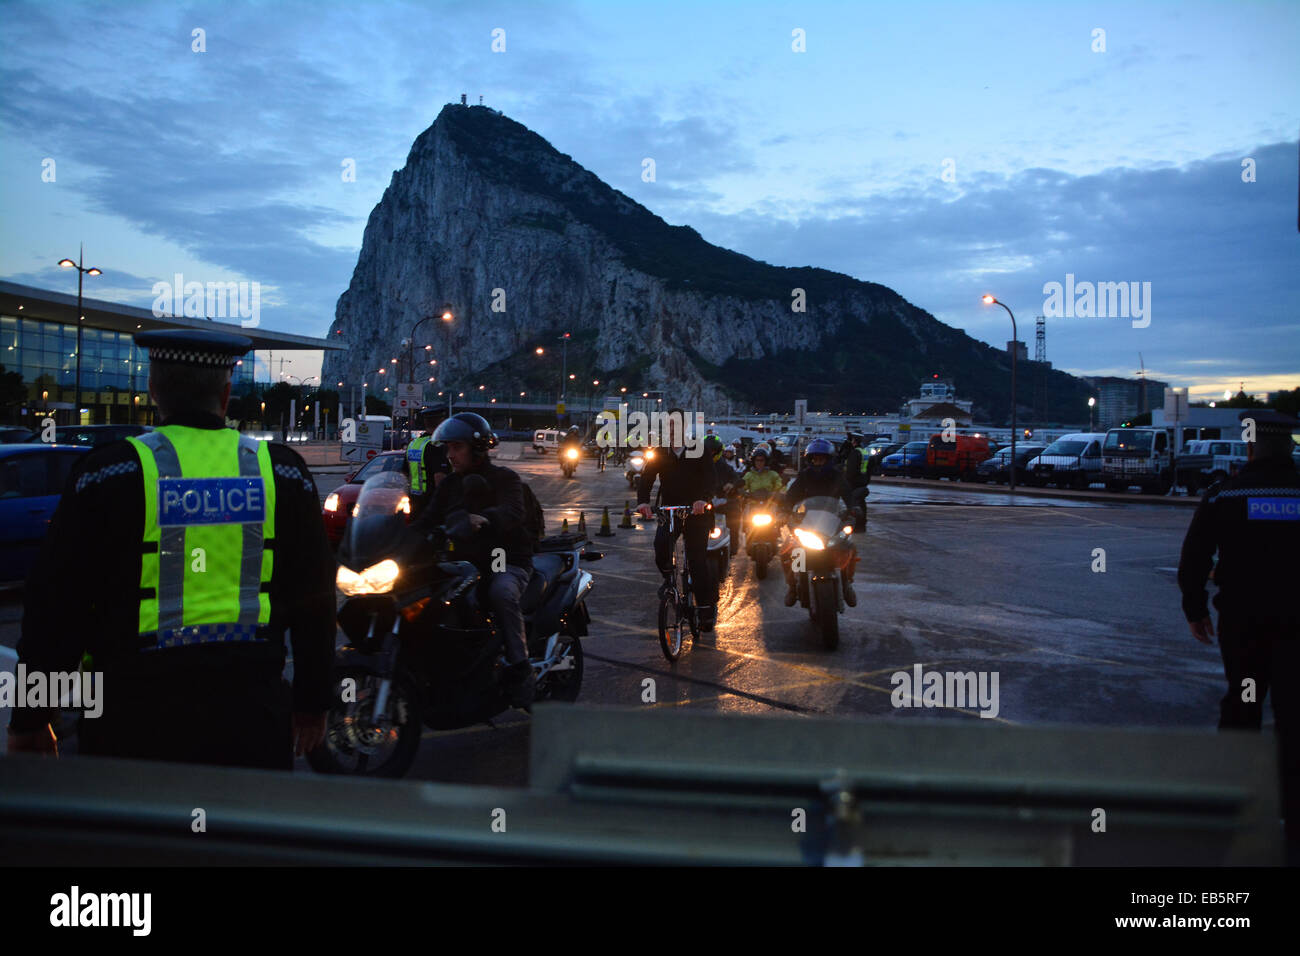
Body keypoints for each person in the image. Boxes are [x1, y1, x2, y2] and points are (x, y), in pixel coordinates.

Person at [7, 329, 336, 769]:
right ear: (225, 394)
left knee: (143, 838)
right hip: (251, 717)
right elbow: (314, 599)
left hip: (129, 721)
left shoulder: (107, 473)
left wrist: (31, 719)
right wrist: (312, 702)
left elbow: (55, 607)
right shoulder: (282, 473)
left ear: (153, 390)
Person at [1178, 409, 1300, 863]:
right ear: (1287, 445)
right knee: (1294, 712)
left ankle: (1232, 799)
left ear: (1250, 446)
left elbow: (1194, 558)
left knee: (1243, 703)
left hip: (1245, 621)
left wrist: (1194, 608)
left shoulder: (1225, 494)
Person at [412, 412, 537, 708]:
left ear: (478, 448)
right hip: (465, 563)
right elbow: (428, 519)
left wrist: (486, 518)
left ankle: (521, 668)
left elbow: (513, 511)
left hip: (504, 560)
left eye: (457, 448)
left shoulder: (505, 479)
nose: (450, 455)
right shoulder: (450, 485)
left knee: (501, 592)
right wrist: (397, 535)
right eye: (448, 448)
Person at [636, 410, 719, 631]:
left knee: (696, 559)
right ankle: (668, 581)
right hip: (670, 510)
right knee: (661, 545)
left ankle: (704, 608)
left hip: (697, 512)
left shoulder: (698, 449)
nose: (672, 429)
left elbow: (711, 478)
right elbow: (646, 478)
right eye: (669, 424)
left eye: (676, 424)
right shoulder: (660, 451)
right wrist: (643, 502)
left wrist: (703, 499)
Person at [779, 437, 860, 608]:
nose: (818, 462)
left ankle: (847, 583)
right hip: (808, 521)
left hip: (832, 521)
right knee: (790, 550)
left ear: (829, 459)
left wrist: (853, 507)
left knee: (849, 547)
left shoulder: (837, 476)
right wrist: (784, 509)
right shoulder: (804, 476)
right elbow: (791, 495)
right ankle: (793, 586)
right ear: (810, 459)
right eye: (815, 458)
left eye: (822, 458)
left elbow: (848, 494)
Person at [406, 405, 450, 516]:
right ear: (442, 422)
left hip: (414, 501)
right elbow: (440, 478)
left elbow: (405, 474)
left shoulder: (414, 444)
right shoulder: (437, 445)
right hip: (431, 504)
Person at [843, 432, 871, 532]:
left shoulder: (855, 453)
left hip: (854, 483)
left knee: (855, 505)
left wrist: (846, 482)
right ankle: (862, 524)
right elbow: (869, 468)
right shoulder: (864, 451)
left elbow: (851, 470)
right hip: (862, 481)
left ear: (854, 441)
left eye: (851, 440)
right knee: (861, 504)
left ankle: (858, 526)